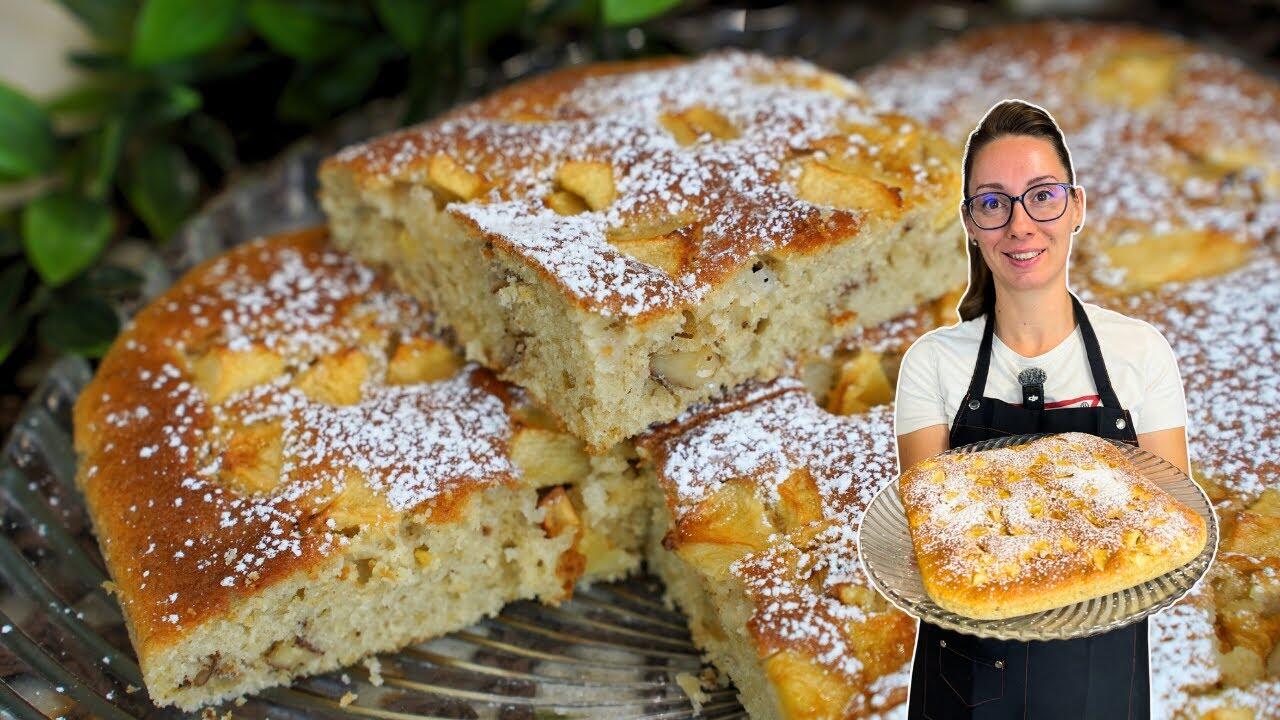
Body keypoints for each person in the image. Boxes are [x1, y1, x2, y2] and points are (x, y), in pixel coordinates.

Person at [893, 99, 1190, 719]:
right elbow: (933, 539)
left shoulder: (1140, 352)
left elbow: (1172, 533)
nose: (1020, 225)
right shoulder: (931, 363)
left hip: (1100, 680)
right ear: (970, 222)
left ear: (1076, 207)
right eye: (993, 203)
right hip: (966, 681)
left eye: (1043, 196)